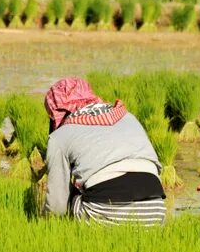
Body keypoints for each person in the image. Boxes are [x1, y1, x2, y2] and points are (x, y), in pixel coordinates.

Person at [42, 77, 166, 226]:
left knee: (71, 193)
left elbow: (56, 206)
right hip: (155, 212)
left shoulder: (60, 136)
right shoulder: (128, 116)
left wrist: (44, 226)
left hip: (103, 214)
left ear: (57, 111)